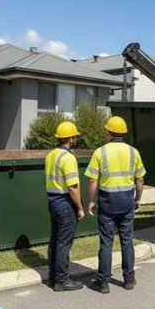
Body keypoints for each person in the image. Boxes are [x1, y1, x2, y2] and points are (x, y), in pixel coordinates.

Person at [85, 116, 146, 294]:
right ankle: (129, 279)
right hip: (127, 201)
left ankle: (103, 282)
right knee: (127, 241)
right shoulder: (133, 152)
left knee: (106, 242)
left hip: (107, 202)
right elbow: (140, 179)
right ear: (124, 132)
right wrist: (137, 199)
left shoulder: (100, 152)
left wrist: (90, 201)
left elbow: (92, 181)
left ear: (109, 132)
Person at [45, 121, 86, 292]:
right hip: (64, 202)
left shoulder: (51, 155)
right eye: (75, 136)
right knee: (64, 243)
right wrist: (80, 207)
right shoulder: (68, 158)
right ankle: (62, 280)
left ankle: (53, 277)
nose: (76, 138)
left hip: (52, 201)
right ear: (70, 138)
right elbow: (73, 187)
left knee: (55, 240)